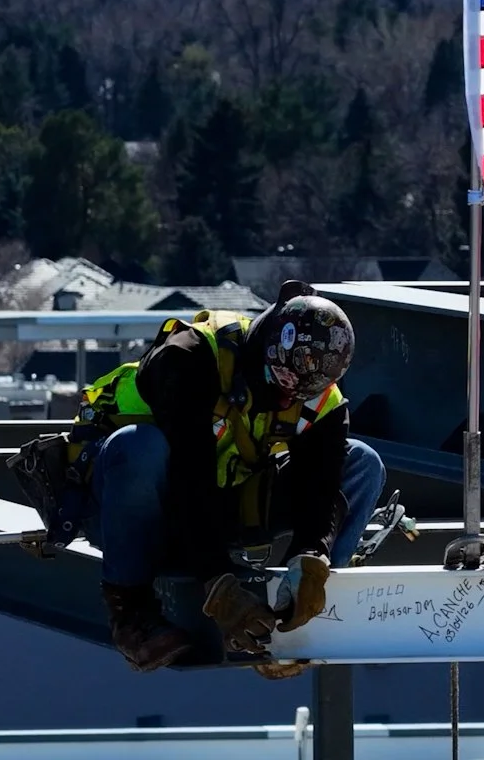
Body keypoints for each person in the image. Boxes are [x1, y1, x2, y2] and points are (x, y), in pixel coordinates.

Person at [68, 280, 384, 674]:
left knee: (363, 463)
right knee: (141, 447)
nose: (286, 401)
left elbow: (318, 491)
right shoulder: (189, 357)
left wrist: (311, 556)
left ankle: (302, 615)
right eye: (280, 386)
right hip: (131, 505)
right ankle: (130, 612)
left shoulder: (320, 401)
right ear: (265, 349)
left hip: (222, 499)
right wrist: (220, 585)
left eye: (297, 395)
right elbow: (188, 479)